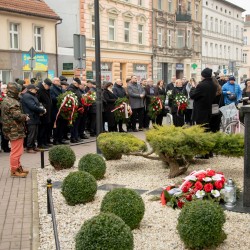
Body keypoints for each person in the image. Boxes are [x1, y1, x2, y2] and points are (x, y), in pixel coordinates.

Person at [1, 82, 30, 177]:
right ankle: (14, 170)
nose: (19, 93)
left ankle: (18, 167)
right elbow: (17, 116)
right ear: (14, 91)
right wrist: (25, 117)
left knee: (18, 150)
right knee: (16, 151)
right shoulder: (12, 102)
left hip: (12, 128)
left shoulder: (7, 99)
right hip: (14, 130)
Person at [21, 84, 46, 153]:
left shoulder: (32, 95)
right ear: (30, 89)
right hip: (31, 117)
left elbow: (37, 104)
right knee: (31, 133)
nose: (36, 90)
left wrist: (42, 109)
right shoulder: (27, 96)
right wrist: (42, 110)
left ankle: (33, 146)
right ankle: (29, 147)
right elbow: (32, 106)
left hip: (35, 117)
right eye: (35, 89)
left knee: (35, 133)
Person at [37, 78, 52, 148]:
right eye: (48, 86)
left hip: (47, 112)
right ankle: (41, 143)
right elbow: (38, 101)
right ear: (44, 84)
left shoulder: (46, 90)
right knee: (41, 129)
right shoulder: (39, 90)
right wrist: (44, 106)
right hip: (43, 113)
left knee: (46, 128)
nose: (48, 87)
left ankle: (45, 142)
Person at [0, 84, 10, 152]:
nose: (5, 89)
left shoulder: (8, 96)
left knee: (6, 133)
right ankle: (3, 147)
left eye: (6, 88)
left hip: (6, 118)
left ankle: (5, 146)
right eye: (3, 88)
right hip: (2, 117)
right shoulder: (1, 96)